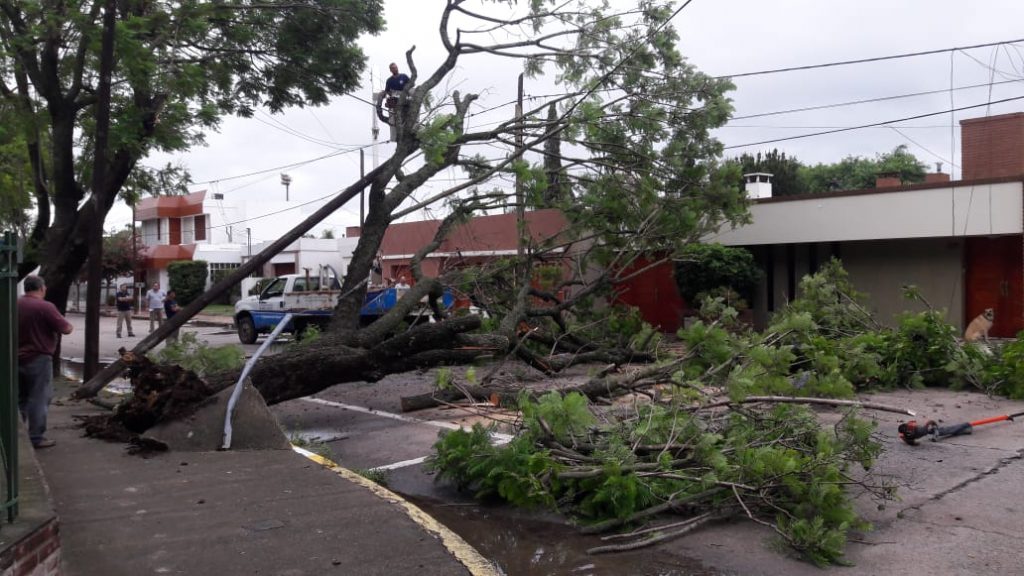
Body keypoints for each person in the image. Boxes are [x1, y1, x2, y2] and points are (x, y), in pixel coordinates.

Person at [17, 275, 73, 449]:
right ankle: (36, 437)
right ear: (41, 288)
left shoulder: (14, 304)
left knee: (20, 398)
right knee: (39, 398)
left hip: (15, 358)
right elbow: (66, 328)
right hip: (38, 358)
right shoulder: (44, 307)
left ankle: (17, 435)